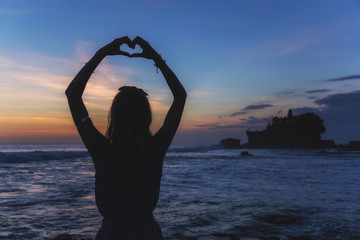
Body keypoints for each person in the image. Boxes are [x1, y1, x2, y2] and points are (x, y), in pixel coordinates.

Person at [65, 36, 187, 239]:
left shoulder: (102, 150)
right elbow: (180, 96)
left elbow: (73, 95)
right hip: (147, 232)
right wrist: (156, 58)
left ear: (114, 116)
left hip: (112, 233)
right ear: (146, 117)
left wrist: (102, 53)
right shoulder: (155, 149)